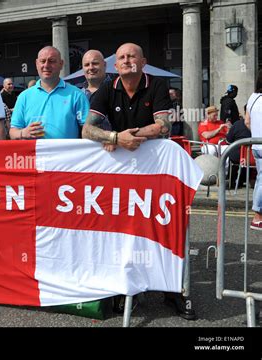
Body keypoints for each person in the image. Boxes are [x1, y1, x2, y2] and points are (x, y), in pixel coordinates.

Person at [82, 43, 196, 320]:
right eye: (121, 57)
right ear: (115, 65)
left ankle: (173, 290)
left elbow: (164, 126)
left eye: (132, 56)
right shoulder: (108, 88)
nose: (126, 60)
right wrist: (113, 138)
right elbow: (87, 129)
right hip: (123, 176)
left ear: (143, 62)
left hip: (157, 173)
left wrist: (125, 136)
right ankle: (125, 288)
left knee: (165, 227)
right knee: (124, 228)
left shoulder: (156, 85)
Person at [9, 46, 89, 140]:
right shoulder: (24, 97)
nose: (46, 65)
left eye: (52, 61)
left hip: (66, 154)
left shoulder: (77, 95)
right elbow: (12, 132)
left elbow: (88, 129)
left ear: (61, 64)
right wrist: (22, 133)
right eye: (43, 61)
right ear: (36, 64)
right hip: (35, 154)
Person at [244, 69, 262, 230]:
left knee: (260, 179)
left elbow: (247, 122)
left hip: (256, 144)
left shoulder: (253, 98)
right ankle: (257, 216)